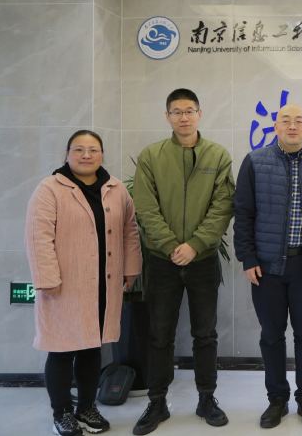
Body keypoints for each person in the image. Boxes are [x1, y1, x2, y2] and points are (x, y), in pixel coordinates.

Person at [131, 89, 235, 435]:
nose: (184, 117)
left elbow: (223, 206)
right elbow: (145, 207)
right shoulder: (152, 156)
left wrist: (195, 245)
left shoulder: (217, 155)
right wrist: (171, 245)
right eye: (177, 111)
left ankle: (207, 398)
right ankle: (157, 402)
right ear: (167, 117)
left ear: (200, 114)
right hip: (162, 261)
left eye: (189, 110)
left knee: (205, 333)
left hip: (203, 260)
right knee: (159, 334)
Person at [26, 130, 142, 436]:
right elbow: (38, 237)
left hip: (104, 284)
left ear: (102, 154)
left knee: (92, 349)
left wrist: (131, 268)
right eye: (79, 149)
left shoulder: (116, 189)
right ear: (67, 154)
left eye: (93, 149)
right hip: (64, 286)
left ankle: (87, 407)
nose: (86, 155)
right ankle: (62, 412)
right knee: (62, 349)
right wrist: (47, 279)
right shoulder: (50, 189)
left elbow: (130, 230)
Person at [234, 104, 302, 429]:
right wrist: (248, 258)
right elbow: (243, 213)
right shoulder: (255, 162)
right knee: (272, 336)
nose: (292, 126)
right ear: (276, 127)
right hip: (266, 268)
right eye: (285, 121)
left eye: (298, 121)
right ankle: (277, 399)